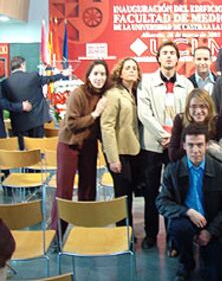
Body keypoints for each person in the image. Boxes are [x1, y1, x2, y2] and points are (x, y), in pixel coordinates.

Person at [156, 123, 222, 281]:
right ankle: (186, 262)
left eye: (200, 145)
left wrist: (211, 231)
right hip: (188, 219)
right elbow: (162, 202)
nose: (195, 150)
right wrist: (187, 212)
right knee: (178, 227)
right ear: (184, 145)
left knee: (213, 273)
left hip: (212, 222)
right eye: (191, 145)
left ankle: (206, 255)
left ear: (207, 145)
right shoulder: (172, 170)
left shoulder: (221, 171)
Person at [137, 41, 194, 250]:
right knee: (151, 191)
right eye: (165, 53)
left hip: (177, 146)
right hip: (153, 145)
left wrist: (175, 139)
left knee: (175, 191)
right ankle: (151, 234)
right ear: (158, 58)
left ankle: (173, 238)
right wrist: (163, 135)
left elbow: (190, 114)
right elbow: (144, 113)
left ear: (178, 59)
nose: (169, 56)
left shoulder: (187, 84)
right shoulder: (146, 82)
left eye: (172, 53)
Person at [51, 60, 109, 232]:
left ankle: (86, 228)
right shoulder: (78, 93)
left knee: (88, 188)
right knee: (64, 190)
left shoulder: (105, 96)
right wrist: (95, 114)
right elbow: (72, 124)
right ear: (88, 76)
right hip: (69, 144)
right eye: (96, 74)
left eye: (103, 74)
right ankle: (58, 232)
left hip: (89, 144)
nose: (99, 78)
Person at [101, 57, 141, 228]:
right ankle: (123, 231)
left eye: (134, 68)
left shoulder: (134, 93)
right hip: (119, 152)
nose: (132, 70)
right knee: (122, 194)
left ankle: (128, 229)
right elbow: (106, 126)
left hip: (133, 150)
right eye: (128, 68)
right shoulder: (113, 94)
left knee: (129, 193)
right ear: (120, 72)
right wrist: (113, 158)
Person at [1, 56, 68, 148]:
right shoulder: (33, 76)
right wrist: (62, 74)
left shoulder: (5, 83)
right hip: (37, 121)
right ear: (23, 65)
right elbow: (48, 79)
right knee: (38, 150)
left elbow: (4, 104)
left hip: (18, 123)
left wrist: (20, 106)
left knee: (23, 153)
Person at [168, 88, 222, 163]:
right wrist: (209, 144)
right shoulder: (180, 120)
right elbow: (173, 155)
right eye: (193, 106)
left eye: (202, 106)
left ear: (209, 107)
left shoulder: (217, 121)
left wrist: (208, 147)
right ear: (188, 108)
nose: (198, 111)